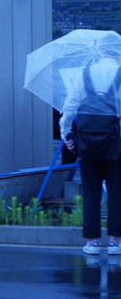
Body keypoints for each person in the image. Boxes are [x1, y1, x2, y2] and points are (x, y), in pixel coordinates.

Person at [61, 55, 121, 255]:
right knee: (116, 193)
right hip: (115, 145)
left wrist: (67, 134)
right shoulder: (119, 73)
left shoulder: (84, 74)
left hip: (88, 145)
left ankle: (93, 242)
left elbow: (69, 106)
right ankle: (114, 242)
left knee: (90, 193)